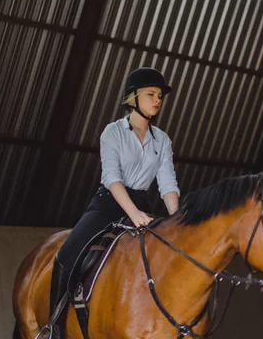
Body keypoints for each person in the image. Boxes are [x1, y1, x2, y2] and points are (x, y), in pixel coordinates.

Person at [48, 67, 180, 338]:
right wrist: (133, 214)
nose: (157, 100)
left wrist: (177, 221)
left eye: (159, 96)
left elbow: (167, 185)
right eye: (151, 94)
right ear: (133, 97)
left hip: (143, 205)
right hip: (109, 203)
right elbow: (111, 178)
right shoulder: (113, 132)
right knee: (66, 255)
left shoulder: (163, 140)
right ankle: (53, 326)